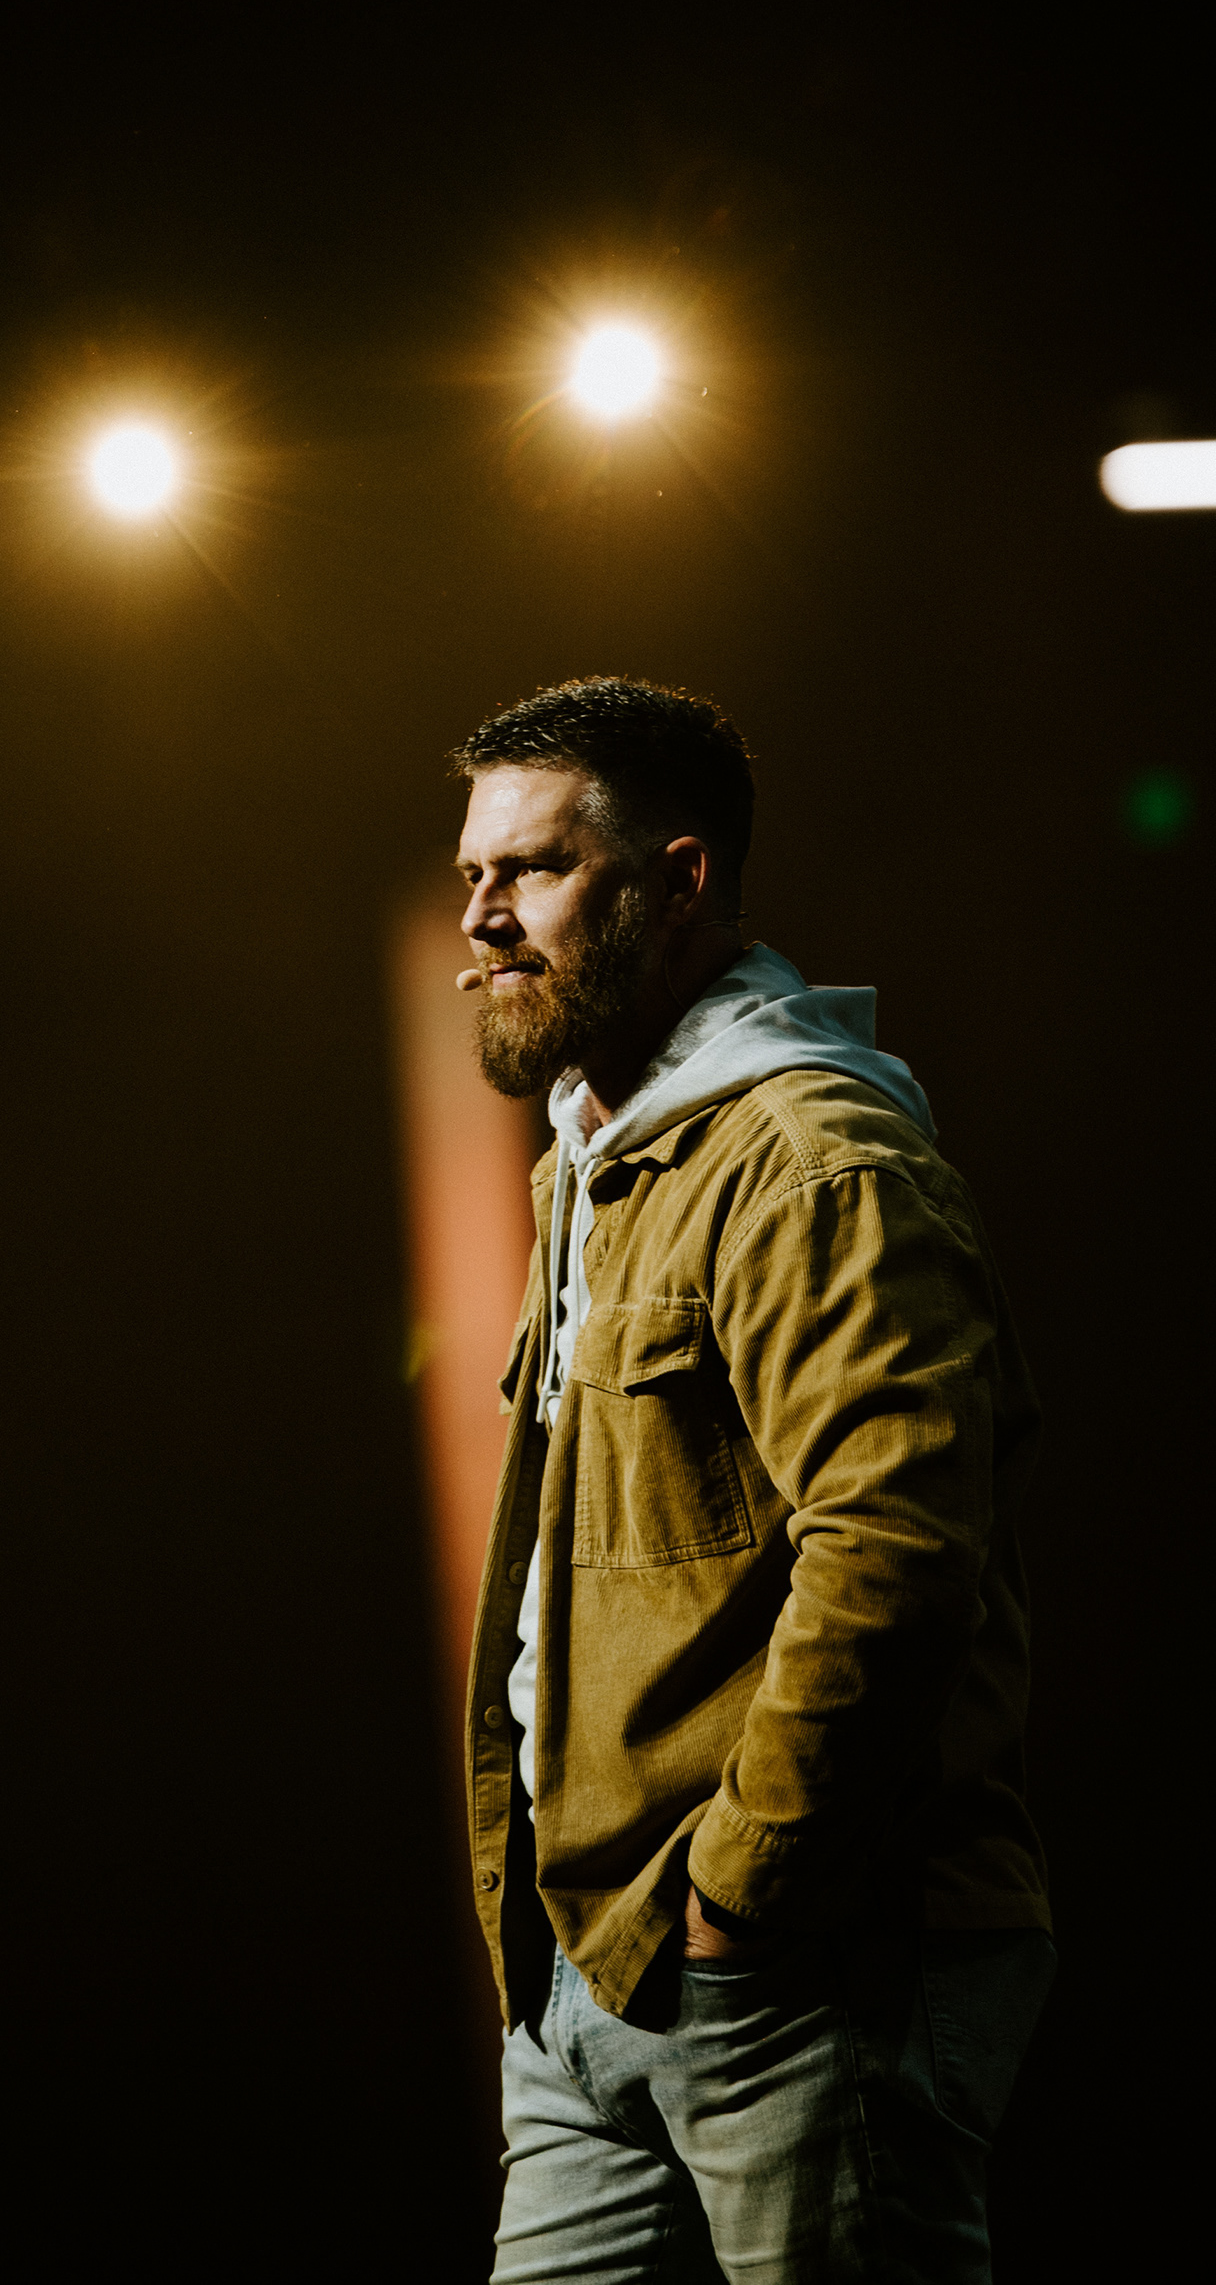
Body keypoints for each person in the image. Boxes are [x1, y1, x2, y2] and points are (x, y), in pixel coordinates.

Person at [449, 675, 1053, 2285]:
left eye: (535, 868)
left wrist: (739, 1897)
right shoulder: (597, 1163)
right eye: (473, 874)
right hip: (592, 1974)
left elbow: (895, 1551)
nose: (484, 917)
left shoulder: (808, 1161)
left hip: (794, 1959)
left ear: (680, 881)